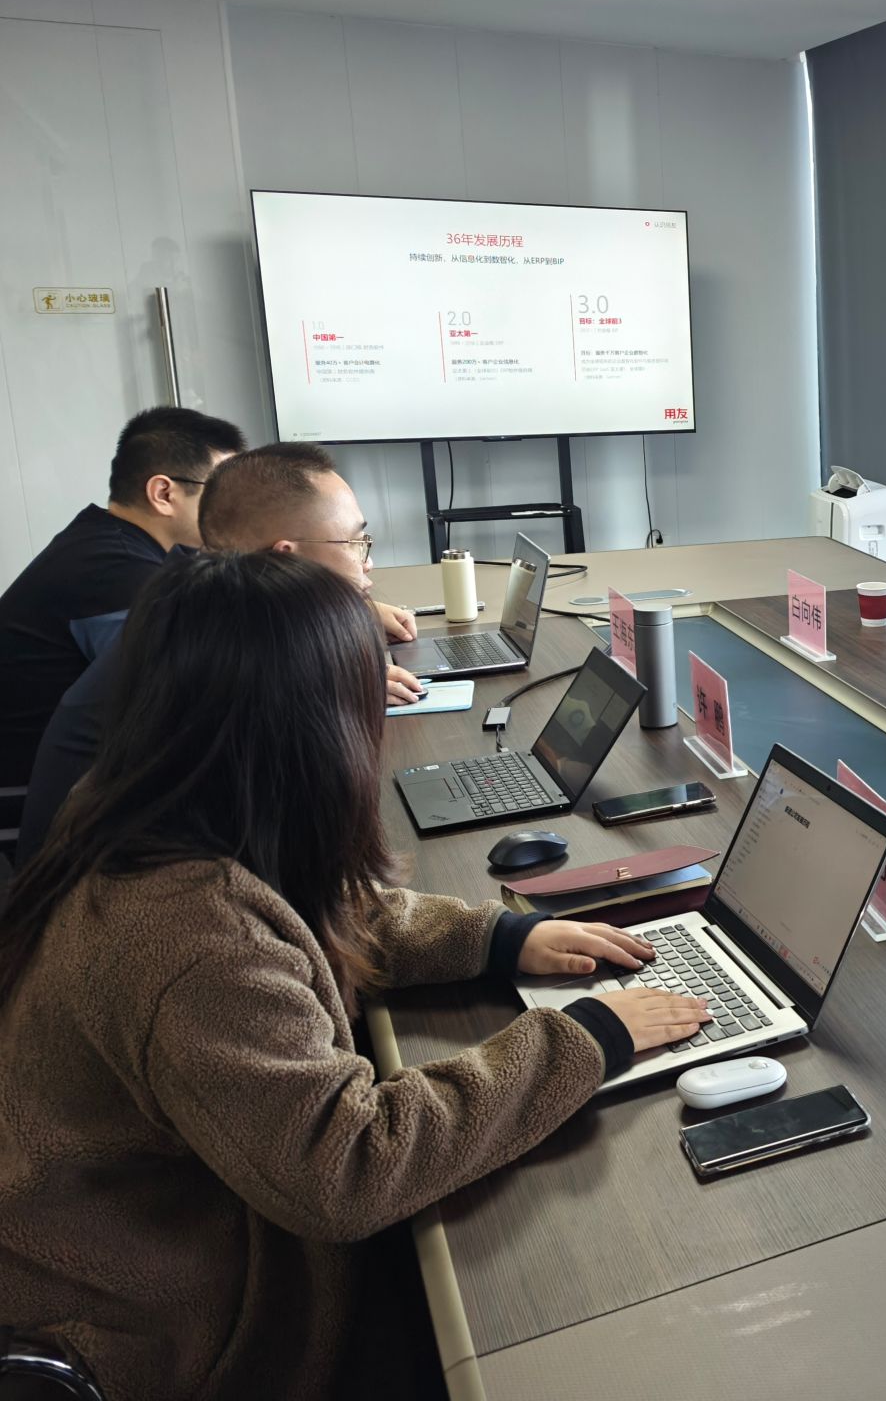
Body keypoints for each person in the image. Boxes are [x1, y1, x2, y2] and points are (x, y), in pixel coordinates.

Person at [0, 552, 706, 1401]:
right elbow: (348, 1167)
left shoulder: (148, 807)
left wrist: (499, 937)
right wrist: (584, 1038)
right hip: (181, 1333)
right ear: (308, 730)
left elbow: (307, 909)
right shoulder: (192, 937)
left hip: (190, 1243)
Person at [15, 443, 428, 861]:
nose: (367, 562)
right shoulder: (222, 650)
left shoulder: (204, 606)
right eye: (354, 541)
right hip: (112, 881)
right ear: (286, 558)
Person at [0, 405, 244, 805]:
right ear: (164, 493)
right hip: (32, 809)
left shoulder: (107, 542)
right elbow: (186, 701)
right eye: (222, 494)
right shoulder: (114, 571)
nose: (235, 510)